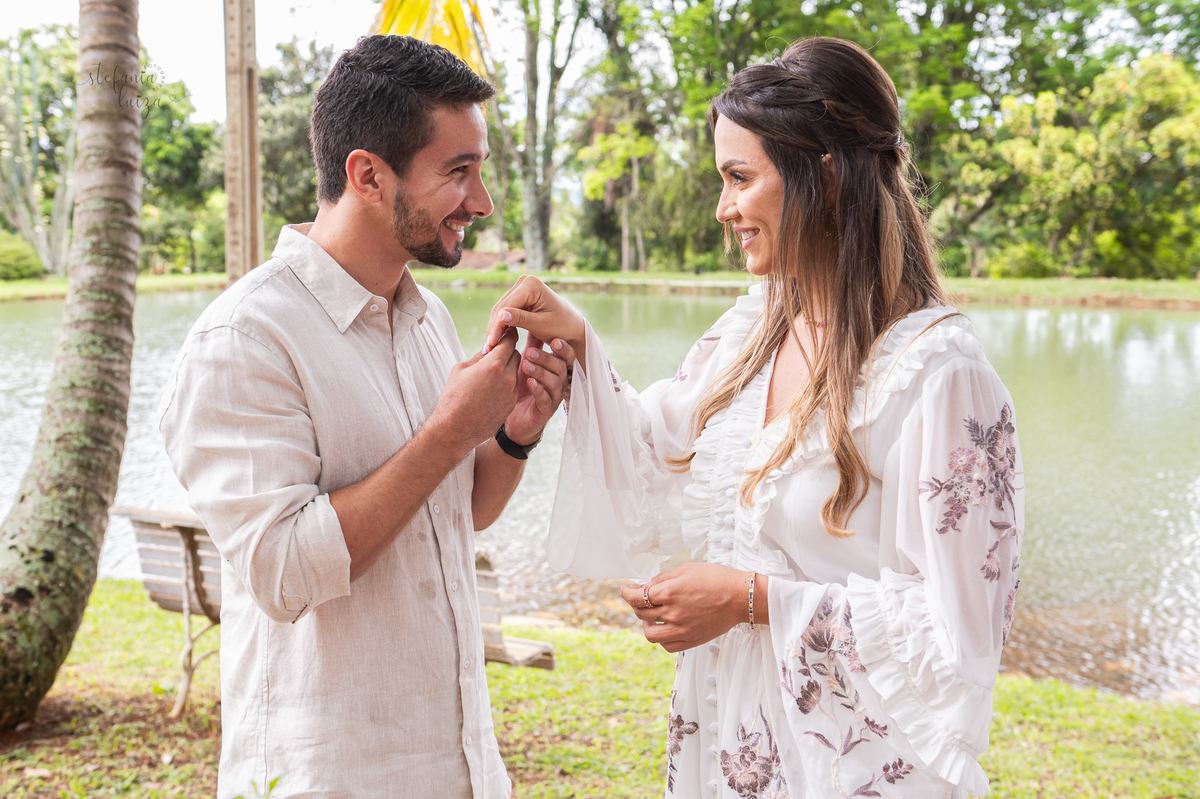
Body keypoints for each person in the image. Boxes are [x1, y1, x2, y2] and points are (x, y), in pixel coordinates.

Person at [484, 37, 1023, 799]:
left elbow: (958, 633)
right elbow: (655, 452)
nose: (723, 207)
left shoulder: (939, 375)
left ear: (824, 176)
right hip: (728, 744)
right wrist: (577, 349)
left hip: (850, 770)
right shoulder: (752, 331)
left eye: (740, 177)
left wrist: (748, 598)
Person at [159, 36, 569, 798]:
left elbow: (459, 510)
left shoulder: (427, 316)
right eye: (458, 172)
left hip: (460, 770)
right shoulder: (246, 339)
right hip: (334, 777)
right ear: (368, 176)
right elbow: (284, 573)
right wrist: (449, 430)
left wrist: (514, 431)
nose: (482, 202)